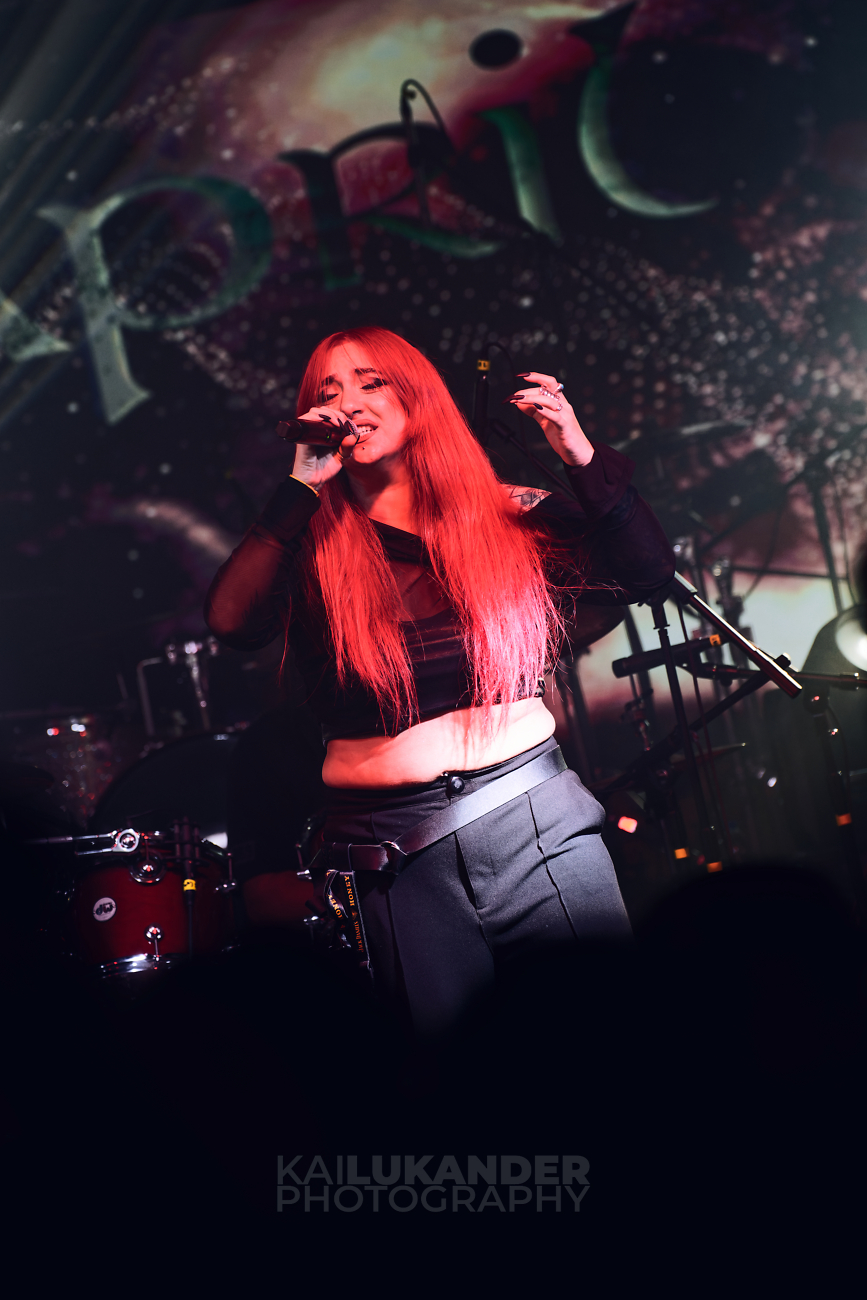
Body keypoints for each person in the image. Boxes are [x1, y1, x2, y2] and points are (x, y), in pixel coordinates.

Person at [205, 326, 675, 1038]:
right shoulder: (309, 544)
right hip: (391, 853)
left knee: (602, 1042)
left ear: (416, 398)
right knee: (456, 1074)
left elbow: (646, 574)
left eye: (370, 383)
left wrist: (577, 453)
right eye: (329, 391)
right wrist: (301, 486)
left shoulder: (505, 512)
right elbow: (232, 621)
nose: (349, 403)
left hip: (533, 819)